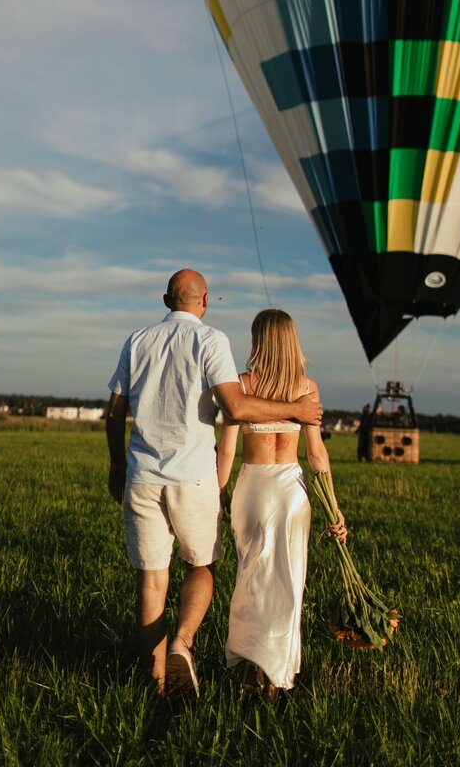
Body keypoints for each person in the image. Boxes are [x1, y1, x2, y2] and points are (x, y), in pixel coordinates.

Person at [106, 270, 323, 701]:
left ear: (166, 299)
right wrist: (296, 410)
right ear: (204, 300)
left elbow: (114, 412)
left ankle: (158, 683)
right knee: (200, 566)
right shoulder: (211, 341)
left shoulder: (136, 340)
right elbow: (236, 406)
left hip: (142, 476)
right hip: (193, 475)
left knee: (151, 580)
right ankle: (183, 642)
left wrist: (116, 466)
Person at [216, 309, 347, 698]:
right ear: (292, 340)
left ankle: (248, 667)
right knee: (289, 584)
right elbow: (317, 455)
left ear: (258, 341)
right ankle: (276, 676)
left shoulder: (241, 385)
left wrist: (218, 495)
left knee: (251, 580)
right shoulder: (307, 388)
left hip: (253, 490)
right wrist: (333, 509)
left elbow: (226, 453)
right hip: (292, 492)